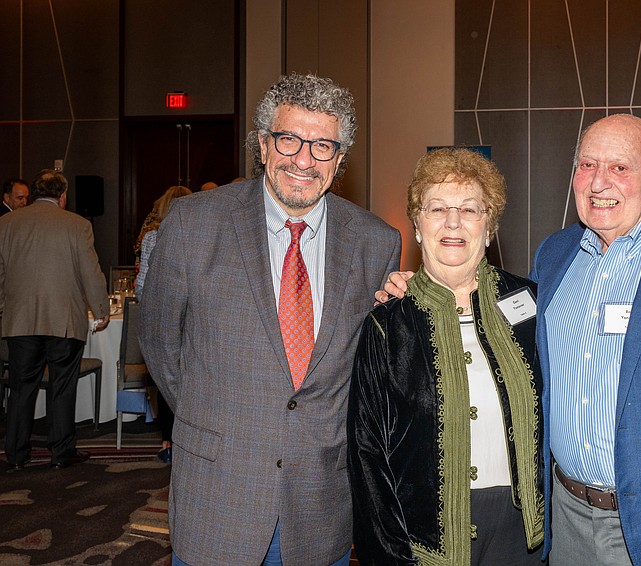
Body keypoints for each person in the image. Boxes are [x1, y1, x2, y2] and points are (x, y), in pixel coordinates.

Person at [380, 114, 641, 565]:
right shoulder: (554, 256)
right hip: (565, 518)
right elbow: (493, 325)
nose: (598, 182)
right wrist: (417, 289)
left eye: (620, 168)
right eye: (587, 165)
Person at [139, 72, 401, 566]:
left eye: (323, 145)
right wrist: (213, 416)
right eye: (289, 139)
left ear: (340, 159)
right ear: (262, 145)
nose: (304, 159)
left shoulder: (376, 241)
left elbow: (370, 370)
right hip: (219, 489)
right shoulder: (193, 223)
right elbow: (159, 342)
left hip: (321, 500)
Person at [349, 148, 544, 566]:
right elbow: (367, 455)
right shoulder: (387, 325)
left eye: (470, 210)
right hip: (425, 541)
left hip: (520, 534)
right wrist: (389, 555)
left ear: (489, 226)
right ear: (417, 226)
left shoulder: (529, 303)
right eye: (437, 208)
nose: (453, 222)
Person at [0, 170, 109, 471]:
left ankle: (16, 455)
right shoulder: (77, 224)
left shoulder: (6, 224)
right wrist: (101, 310)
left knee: (21, 388)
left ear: (34, 194)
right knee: (63, 384)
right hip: (63, 320)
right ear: (62, 197)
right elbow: (91, 272)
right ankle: (61, 452)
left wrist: (2, 309)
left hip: (19, 321)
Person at [134, 184, 191, 464]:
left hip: (164, 322)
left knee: (167, 379)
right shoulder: (199, 237)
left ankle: (168, 442)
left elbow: (142, 288)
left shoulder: (152, 238)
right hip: (192, 323)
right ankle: (187, 443)